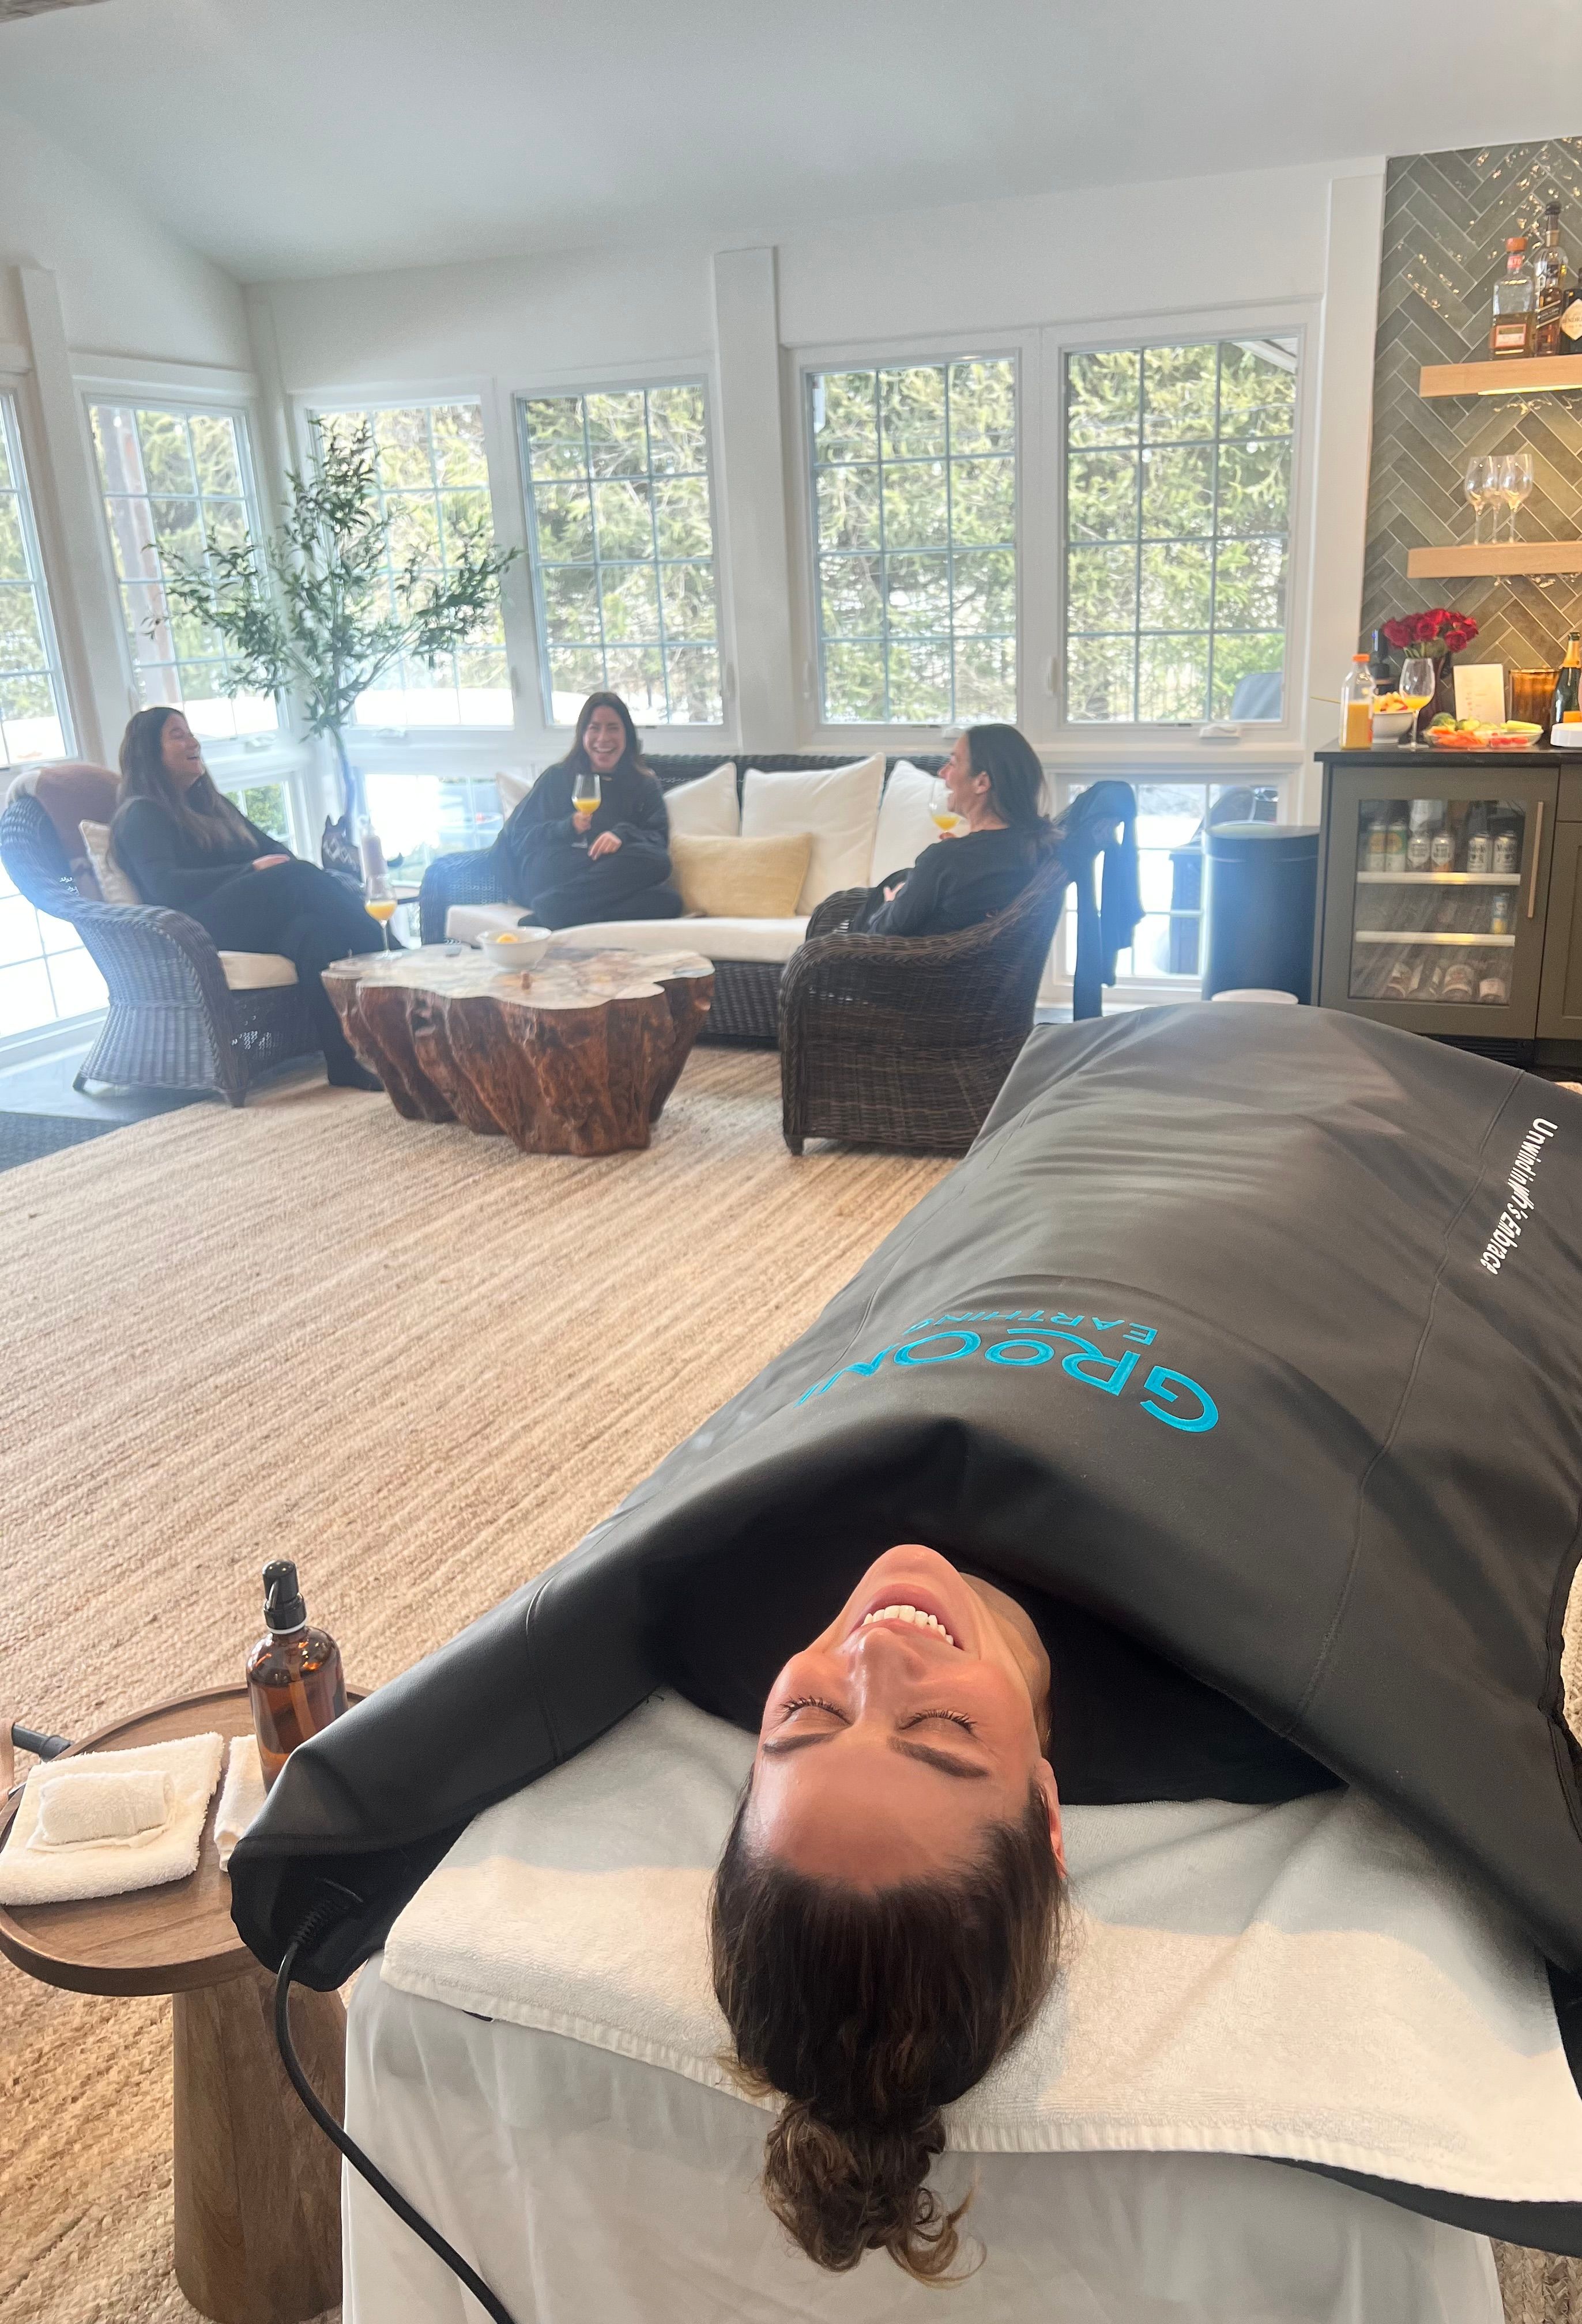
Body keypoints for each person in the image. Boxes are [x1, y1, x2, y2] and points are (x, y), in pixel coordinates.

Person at [710, 1540, 1067, 2281]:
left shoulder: (721, 1580)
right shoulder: (1234, 1694)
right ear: (1045, 1812)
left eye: (810, 1717)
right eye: (940, 1728)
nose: (872, 1651)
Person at [110, 706, 385, 1091]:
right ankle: (391, 953)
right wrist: (249, 871)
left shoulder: (209, 803)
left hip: (246, 919)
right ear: (149, 753)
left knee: (315, 932)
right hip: (197, 929)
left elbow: (272, 848)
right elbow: (166, 886)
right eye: (178, 735)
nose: (193, 742)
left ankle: (343, 1062)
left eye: (190, 732)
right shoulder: (142, 814)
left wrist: (265, 866)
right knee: (297, 877)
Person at [497, 692, 683, 930]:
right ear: (583, 734)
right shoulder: (558, 777)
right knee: (545, 868)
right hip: (558, 871)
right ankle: (564, 909)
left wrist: (621, 835)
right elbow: (520, 837)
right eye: (594, 728)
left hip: (610, 873)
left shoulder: (643, 783)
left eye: (613, 728)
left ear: (627, 734)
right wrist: (567, 827)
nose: (603, 739)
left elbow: (658, 839)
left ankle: (555, 911)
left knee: (666, 892)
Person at [852, 723, 1056, 938]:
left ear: (982, 782)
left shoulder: (947, 859)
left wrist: (890, 904)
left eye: (953, 763)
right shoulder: (1034, 842)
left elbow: (879, 935)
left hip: (885, 965)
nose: (942, 773)